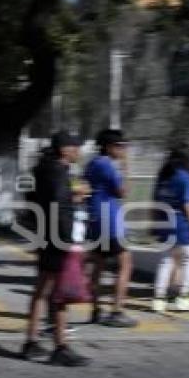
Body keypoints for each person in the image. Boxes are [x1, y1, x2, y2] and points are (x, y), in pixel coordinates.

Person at [22, 132, 91, 366]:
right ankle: (61, 347)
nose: (79, 152)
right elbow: (58, 207)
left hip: (46, 235)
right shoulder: (58, 172)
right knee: (58, 294)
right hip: (57, 238)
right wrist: (67, 240)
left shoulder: (46, 169)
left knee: (44, 290)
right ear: (65, 149)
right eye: (76, 147)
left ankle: (31, 342)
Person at [84, 129, 138, 328]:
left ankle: (96, 309)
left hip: (95, 220)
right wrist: (125, 166)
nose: (123, 149)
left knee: (97, 266)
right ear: (108, 147)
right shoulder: (107, 165)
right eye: (120, 146)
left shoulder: (92, 164)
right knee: (126, 264)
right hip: (111, 222)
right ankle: (117, 311)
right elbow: (123, 191)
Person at [151, 144, 189, 312]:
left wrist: (154, 222)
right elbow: (188, 204)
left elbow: (155, 202)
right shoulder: (184, 177)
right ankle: (184, 296)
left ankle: (158, 299)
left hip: (164, 222)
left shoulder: (162, 176)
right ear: (186, 159)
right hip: (180, 223)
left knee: (166, 260)